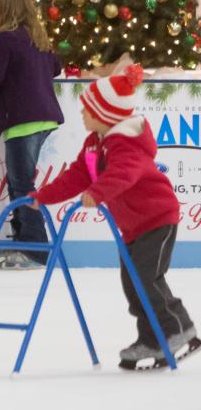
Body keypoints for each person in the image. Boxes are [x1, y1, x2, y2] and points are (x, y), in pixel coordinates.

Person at [32, 64, 197, 369]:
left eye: (87, 110)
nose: (82, 114)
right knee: (132, 282)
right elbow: (77, 176)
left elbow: (125, 173)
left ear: (104, 114)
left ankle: (177, 326)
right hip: (134, 226)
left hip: (157, 219)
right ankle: (151, 338)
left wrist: (99, 192)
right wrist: (42, 196)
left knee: (147, 277)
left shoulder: (125, 143)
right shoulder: (95, 143)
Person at [0, 0, 63, 270]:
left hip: (23, 121)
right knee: (18, 182)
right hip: (44, 119)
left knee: (21, 185)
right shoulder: (38, 39)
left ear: (7, 12)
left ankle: (36, 249)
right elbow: (56, 68)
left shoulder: (5, 39)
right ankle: (23, 241)